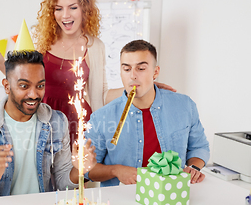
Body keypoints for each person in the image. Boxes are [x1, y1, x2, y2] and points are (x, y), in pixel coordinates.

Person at [0, 0, 174, 145]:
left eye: (72, 7)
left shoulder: (95, 46)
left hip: (77, 122)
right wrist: (1, 63)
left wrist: (141, 87)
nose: (65, 15)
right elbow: (23, 81)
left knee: (76, 180)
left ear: (84, 10)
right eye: (59, 9)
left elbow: (101, 94)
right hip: (39, 117)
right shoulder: (38, 39)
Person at [0, 50, 96, 200]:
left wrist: (79, 170)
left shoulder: (57, 122)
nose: (34, 95)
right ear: (7, 86)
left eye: (40, 86)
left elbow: (63, 184)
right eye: (24, 86)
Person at [85, 40, 210, 187]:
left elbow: (199, 147)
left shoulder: (184, 106)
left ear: (155, 72)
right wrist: (116, 171)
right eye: (126, 69)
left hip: (172, 197)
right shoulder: (101, 118)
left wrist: (194, 168)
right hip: (123, 203)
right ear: (121, 72)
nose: (133, 76)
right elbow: (88, 170)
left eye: (141, 69)